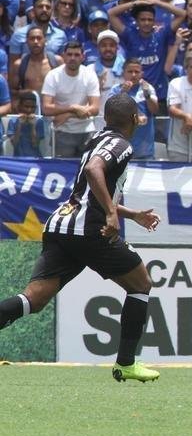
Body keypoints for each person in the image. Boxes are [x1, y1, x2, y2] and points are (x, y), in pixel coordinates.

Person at [0, 95, 160, 382]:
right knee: (141, 283)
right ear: (134, 119)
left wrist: (130, 213)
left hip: (60, 225)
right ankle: (126, 363)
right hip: (89, 230)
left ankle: (127, 363)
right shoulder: (121, 144)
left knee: (33, 300)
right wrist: (112, 214)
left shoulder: (96, 140)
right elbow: (93, 171)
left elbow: (87, 191)